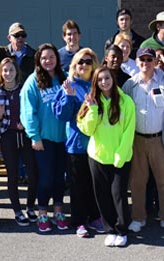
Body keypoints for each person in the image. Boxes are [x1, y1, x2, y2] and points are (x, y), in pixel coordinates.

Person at [122, 46, 164, 234]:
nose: (145, 63)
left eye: (149, 59)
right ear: (137, 61)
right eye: (142, 60)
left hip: (160, 140)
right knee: (137, 182)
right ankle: (138, 217)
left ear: (155, 62)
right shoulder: (130, 85)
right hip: (137, 141)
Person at [78, 67, 137, 247]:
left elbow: (129, 131)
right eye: (100, 79)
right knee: (102, 195)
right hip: (98, 157)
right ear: (96, 82)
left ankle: (122, 230)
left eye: (107, 78)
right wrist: (93, 110)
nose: (105, 82)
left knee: (118, 194)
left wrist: (120, 155)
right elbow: (86, 129)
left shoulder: (126, 102)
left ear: (113, 79)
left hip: (120, 157)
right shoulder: (91, 101)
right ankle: (110, 229)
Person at [54, 48, 105, 238]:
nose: (84, 65)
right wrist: (68, 97)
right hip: (76, 145)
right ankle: (79, 221)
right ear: (74, 65)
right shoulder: (69, 85)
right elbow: (62, 115)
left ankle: (95, 217)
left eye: (88, 61)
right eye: (80, 62)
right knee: (77, 185)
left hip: (97, 144)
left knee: (94, 184)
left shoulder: (97, 85)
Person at [20, 43, 70, 233]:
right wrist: (34, 136)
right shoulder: (33, 81)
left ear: (57, 59)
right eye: (44, 58)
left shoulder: (63, 78)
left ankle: (58, 211)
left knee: (60, 177)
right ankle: (42, 213)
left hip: (63, 138)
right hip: (44, 139)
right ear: (38, 61)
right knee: (46, 177)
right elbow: (27, 112)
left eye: (51, 57)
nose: (48, 61)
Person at [0, 58, 36, 226]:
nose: (8, 73)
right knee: (13, 175)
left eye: (11, 70)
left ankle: (31, 206)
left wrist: (25, 123)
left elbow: (31, 109)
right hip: (8, 135)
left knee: (33, 173)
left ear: (16, 72)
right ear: (0, 73)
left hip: (24, 134)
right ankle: (17, 211)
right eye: (5, 71)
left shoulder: (23, 89)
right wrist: (0, 115)